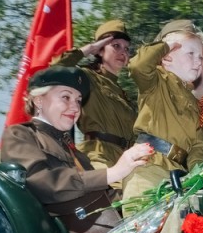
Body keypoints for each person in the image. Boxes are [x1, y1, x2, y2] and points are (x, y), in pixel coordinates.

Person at [0, 65, 153, 233]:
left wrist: (140, 216)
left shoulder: (71, 147)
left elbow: (104, 195)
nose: (75, 107)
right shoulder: (19, 134)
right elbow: (43, 184)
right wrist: (113, 173)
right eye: (65, 97)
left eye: (78, 100)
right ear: (39, 100)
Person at [121, 19, 203, 217]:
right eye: (190, 54)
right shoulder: (156, 81)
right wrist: (166, 46)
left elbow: (198, 146)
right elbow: (138, 66)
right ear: (167, 57)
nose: (198, 62)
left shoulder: (196, 104)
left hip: (178, 177)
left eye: (201, 57)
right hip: (148, 169)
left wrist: (197, 174)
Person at [50, 20, 138, 182]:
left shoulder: (122, 93)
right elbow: (54, 70)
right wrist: (89, 48)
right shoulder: (86, 77)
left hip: (125, 157)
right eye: (116, 46)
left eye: (126, 48)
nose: (123, 52)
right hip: (97, 155)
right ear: (100, 50)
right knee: (113, 195)